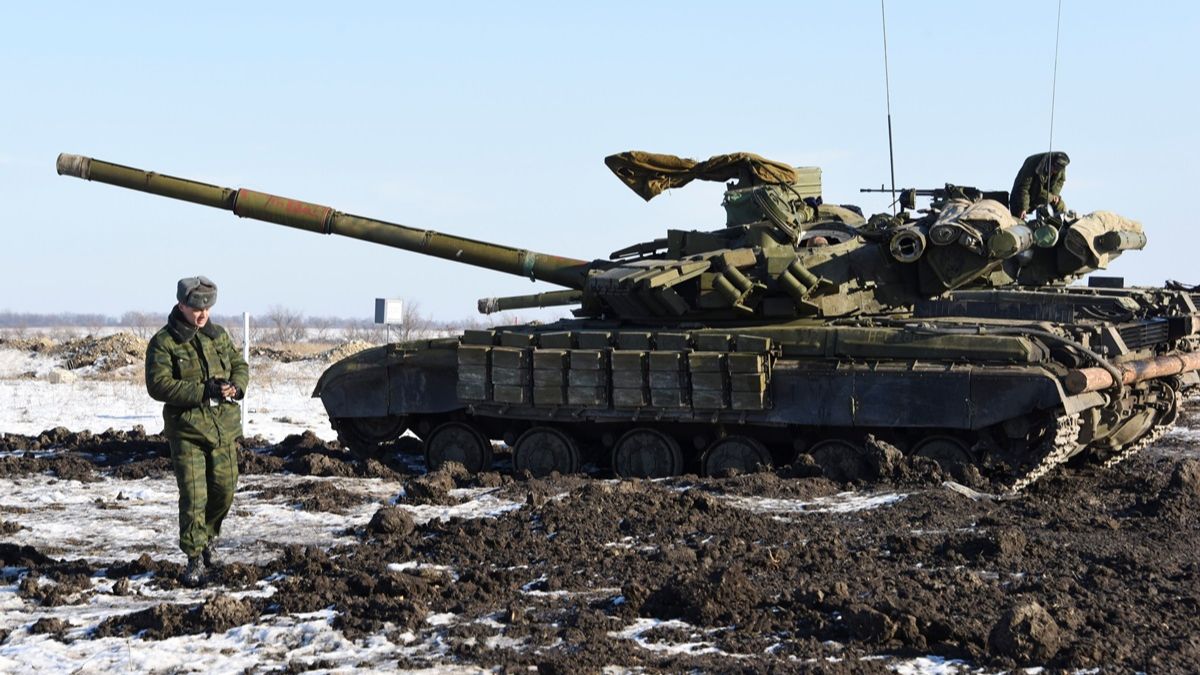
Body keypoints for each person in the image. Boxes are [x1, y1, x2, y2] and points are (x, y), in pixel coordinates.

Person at [145, 276, 249, 587]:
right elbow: (158, 384)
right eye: (196, 309)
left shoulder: (218, 336)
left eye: (207, 309)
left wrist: (236, 387)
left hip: (223, 429)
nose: (202, 314)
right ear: (181, 305)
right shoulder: (164, 342)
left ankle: (208, 537)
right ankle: (194, 557)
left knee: (224, 491)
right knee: (193, 497)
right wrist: (203, 390)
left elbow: (239, 365)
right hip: (187, 431)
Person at [1010, 151, 1070, 218]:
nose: (1054, 171)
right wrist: (1023, 208)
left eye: (1057, 170)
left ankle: (1056, 222)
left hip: (1043, 192)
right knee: (1018, 216)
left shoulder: (1061, 165)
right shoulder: (1033, 164)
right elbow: (1023, 188)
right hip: (1022, 195)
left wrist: (1055, 194)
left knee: (1060, 205)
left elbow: (1060, 180)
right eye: (1053, 167)